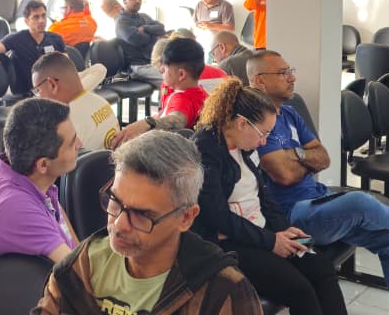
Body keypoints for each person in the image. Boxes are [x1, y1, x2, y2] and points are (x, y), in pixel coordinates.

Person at [248, 50, 389, 315]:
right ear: (259, 81)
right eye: (282, 73)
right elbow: (284, 175)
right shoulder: (254, 121)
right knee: (359, 201)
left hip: (319, 197)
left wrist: (295, 155)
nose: (292, 78)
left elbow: (323, 157)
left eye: (291, 71)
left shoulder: (289, 113)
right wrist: (304, 160)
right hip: (291, 215)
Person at [32, 130, 261, 315]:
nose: (119, 225)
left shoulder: (222, 291)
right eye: (115, 202)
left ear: (186, 217)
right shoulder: (78, 268)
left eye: (142, 215)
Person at [191, 78, 344, 315]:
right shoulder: (205, 151)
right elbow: (217, 216)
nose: (264, 141)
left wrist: (284, 230)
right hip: (229, 244)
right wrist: (271, 241)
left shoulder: (245, 146)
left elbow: (264, 195)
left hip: (262, 232)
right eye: (263, 133)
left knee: (322, 269)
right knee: (300, 289)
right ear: (242, 124)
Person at [0, 98, 80, 273]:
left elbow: (76, 250)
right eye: (72, 143)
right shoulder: (15, 207)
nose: (80, 144)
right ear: (43, 164)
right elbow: (79, 272)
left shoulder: (36, 183)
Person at [113, 38, 211, 148]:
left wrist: (147, 123)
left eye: (164, 68)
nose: (160, 70)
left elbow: (177, 119)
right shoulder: (198, 93)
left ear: (181, 74)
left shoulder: (182, 99)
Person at [32, 51, 121, 151]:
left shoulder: (63, 125)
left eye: (38, 90)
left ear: (52, 84)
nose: (39, 97)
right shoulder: (101, 102)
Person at [0, 0, 67, 96]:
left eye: (43, 16)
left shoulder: (56, 39)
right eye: (36, 17)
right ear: (26, 21)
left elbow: (66, 66)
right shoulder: (17, 38)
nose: (41, 20)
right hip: (26, 94)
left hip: (52, 90)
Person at [115, 0, 166, 83]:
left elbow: (161, 28)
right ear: (125, 0)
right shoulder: (121, 21)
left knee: (182, 74)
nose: (138, 1)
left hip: (154, 62)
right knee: (171, 79)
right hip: (137, 66)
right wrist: (153, 35)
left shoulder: (144, 16)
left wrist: (145, 28)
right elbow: (137, 39)